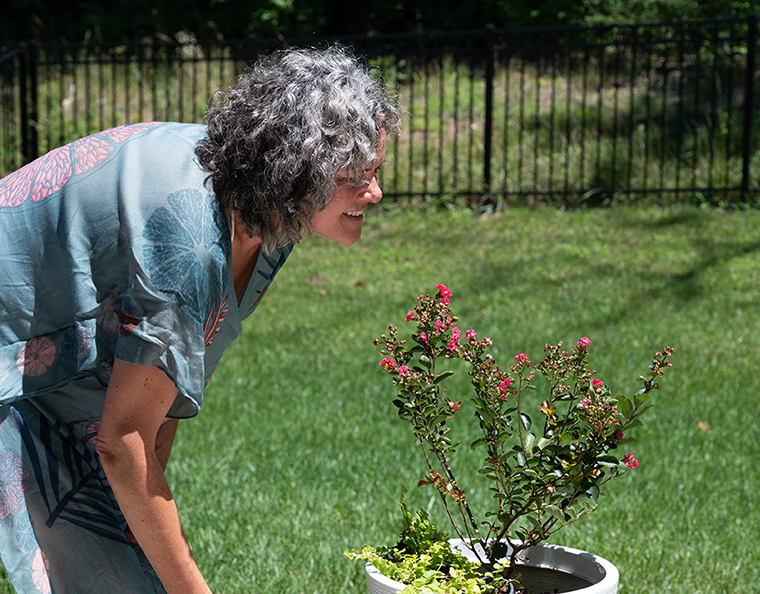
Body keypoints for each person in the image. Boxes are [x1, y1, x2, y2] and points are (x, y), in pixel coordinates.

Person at [0, 45, 400, 593]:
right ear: (298, 172)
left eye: (376, 171)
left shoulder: (267, 217)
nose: (375, 193)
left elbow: (162, 397)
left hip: (56, 364)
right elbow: (124, 441)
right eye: (358, 176)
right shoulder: (189, 242)